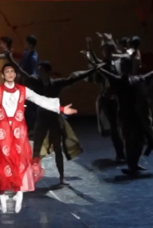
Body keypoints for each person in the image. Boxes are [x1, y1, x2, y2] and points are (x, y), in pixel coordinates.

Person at [0, 61, 77, 214]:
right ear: (3, 75)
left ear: (15, 74)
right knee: (1, 162)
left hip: (18, 132)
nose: (10, 74)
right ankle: (3, 194)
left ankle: (18, 192)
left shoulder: (23, 90)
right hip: (2, 132)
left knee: (18, 161)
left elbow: (40, 99)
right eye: (7, 71)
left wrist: (61, 108)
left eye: (12, 71)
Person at [7, 52, 98, 186]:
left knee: (57, 149)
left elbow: (74, 78)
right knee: (36, 148)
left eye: (41, 71)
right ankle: (31, 176)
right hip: (42, 119)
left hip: (54, 119)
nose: (39, 73)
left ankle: (62, 177)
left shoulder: (56, 84)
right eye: (38, 71)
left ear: (47, 72)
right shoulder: (36, 82)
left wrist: (93, 70)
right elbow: (20, 71)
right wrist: (9, 58)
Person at [96, 59, 153, 175]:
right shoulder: (120, 80)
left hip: (134, 114)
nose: (124, 69)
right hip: (126, 115)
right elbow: (106, 74)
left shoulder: (134, 79)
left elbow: (149, 75)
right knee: (129, 140)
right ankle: (132, 165)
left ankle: (134, 164)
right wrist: (97, 68)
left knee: (138, 140)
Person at [18, 35, 39, 129]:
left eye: (26, 42)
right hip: (23, 83)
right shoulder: (26, 53)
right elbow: (20, 65)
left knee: (30, 106)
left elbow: (34, 72)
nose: (25, 44)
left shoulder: (33, 57)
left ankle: (31, 128)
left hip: (30, 85)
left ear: (30, 44)